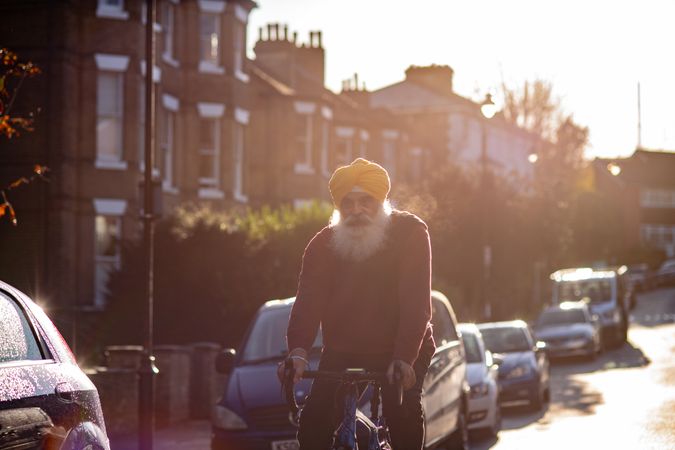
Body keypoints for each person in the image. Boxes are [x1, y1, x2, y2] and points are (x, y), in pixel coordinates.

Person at [278, 158, 435, 449]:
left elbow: (416, 303)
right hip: (344, 349)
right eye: (347, 203)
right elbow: (308, 301)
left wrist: (404, 358)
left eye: (366, 202)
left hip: (400, 348)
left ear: (382, 201)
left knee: (403, 416)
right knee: (313, 425)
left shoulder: (411, 233)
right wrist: (297, 352)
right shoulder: (321, 245)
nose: (356, 210)